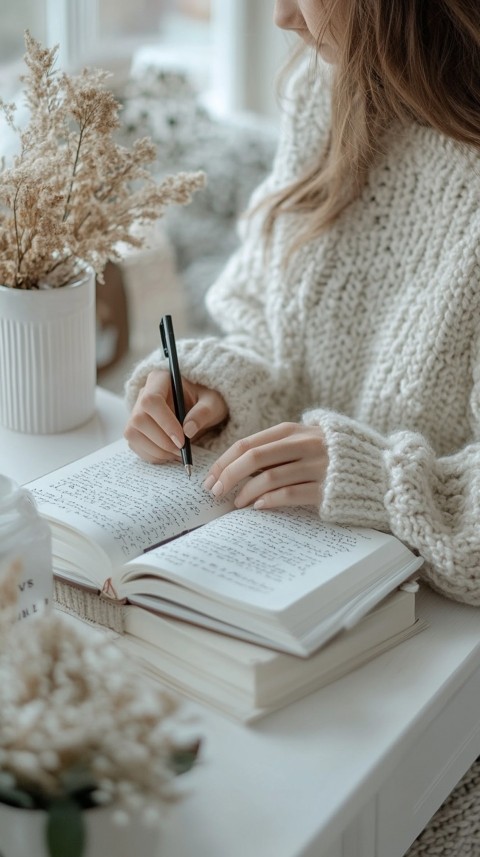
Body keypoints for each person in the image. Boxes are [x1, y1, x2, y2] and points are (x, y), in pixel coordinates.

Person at [125, 0, 480, 606]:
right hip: (277, 571)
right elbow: (262, 316)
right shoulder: (330, 90)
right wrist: (219, 390)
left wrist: (376, 479)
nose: (282, 17)